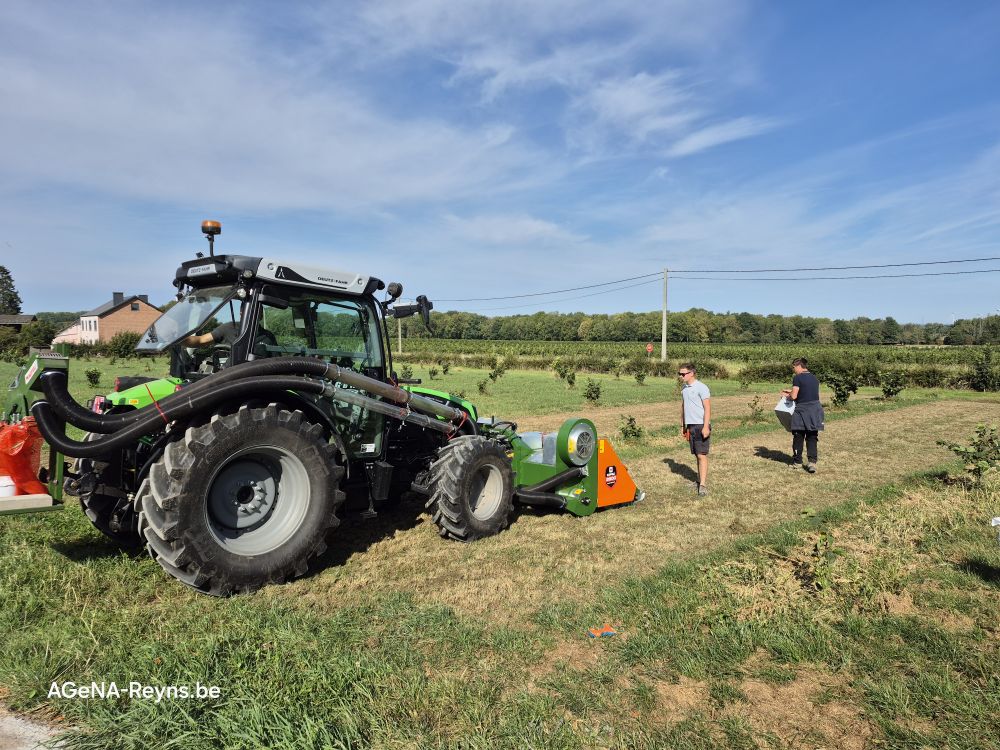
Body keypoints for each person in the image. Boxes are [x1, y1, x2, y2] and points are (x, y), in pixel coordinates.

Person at [781, 357, 824, 473]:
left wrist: (787, 395)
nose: (794, 370)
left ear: (798, 366)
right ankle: (812, 463)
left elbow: (794, 397)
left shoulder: (797, 378)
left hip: (802, 410)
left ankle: (797, 463)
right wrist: (791, 392)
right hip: (815, 410)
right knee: (812, 436)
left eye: (794, 367)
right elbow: (807, 393)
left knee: (798, 436)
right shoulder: (814, 378)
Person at [678, 363, 711, 496]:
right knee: (696, 454)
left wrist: (705, 426)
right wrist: (683, 425)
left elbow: (707, 408)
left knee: (701, 455)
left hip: (700, 425)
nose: (681, 376)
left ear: (691, 373)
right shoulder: (684, 388)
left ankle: (702, 485)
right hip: (691, 426)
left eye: (683, 374)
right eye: (679, 374)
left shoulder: (701, 387)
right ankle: (698, 480)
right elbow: (683, 407)